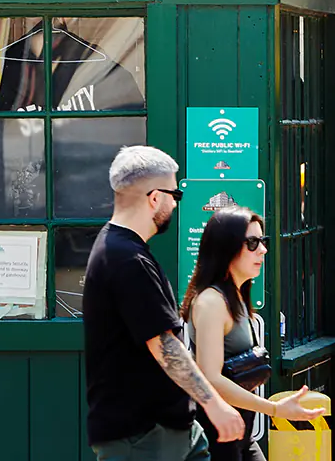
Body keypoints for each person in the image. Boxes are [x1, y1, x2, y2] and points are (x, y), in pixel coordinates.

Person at [83, 145, 245, 461]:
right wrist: (214, 404)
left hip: (167, 430)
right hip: (144, 436)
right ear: (154, 198)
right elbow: (165, 346)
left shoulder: (124, 251)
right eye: (174, 195)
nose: (175, 203)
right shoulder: (125, 258)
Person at [182, 208, 322, 461]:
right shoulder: (212, 302)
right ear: (226, 247)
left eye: (263, 241)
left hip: (239, 433)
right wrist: (274, 410)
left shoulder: (235, 296)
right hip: (219, 435)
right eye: (252, 243)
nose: (263, 250)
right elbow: (211, 378)